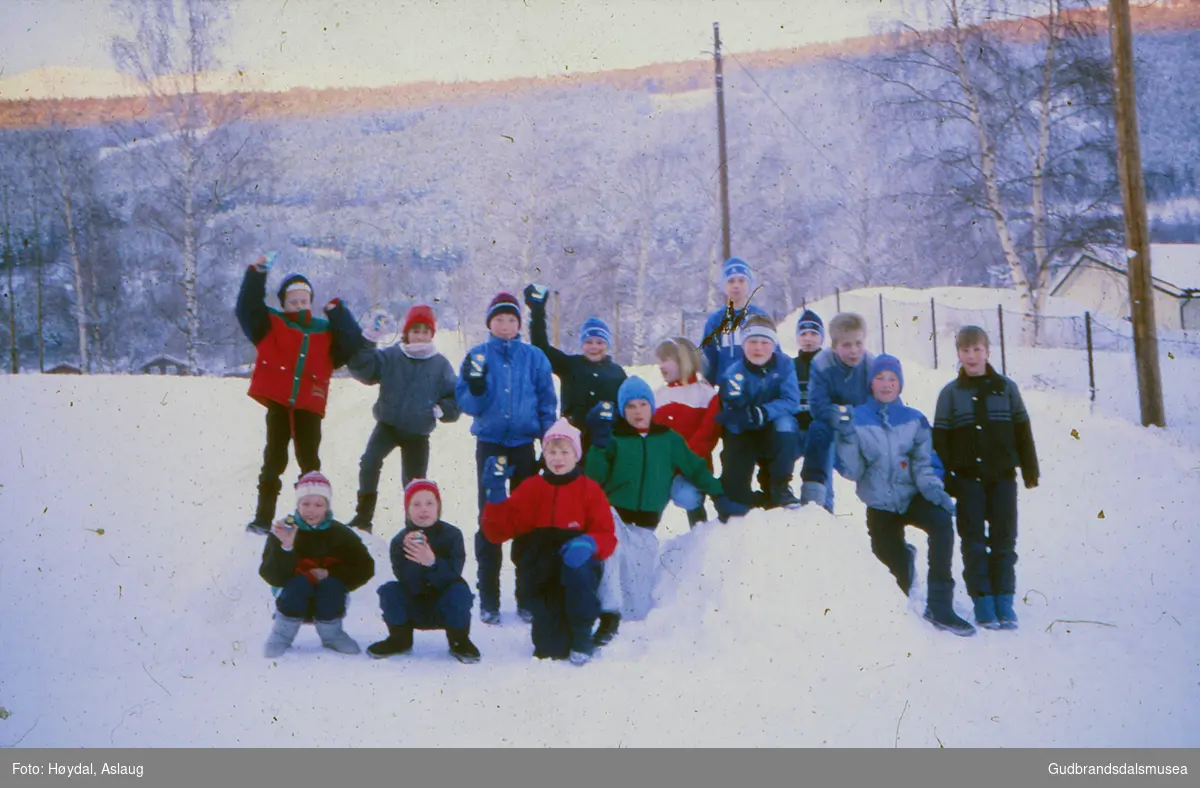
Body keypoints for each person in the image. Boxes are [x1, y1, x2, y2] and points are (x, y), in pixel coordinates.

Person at [585, 377, 748, 641]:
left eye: (642, 404)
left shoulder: (668, 438)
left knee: (637, 606)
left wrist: (719, 494)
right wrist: (598, 446)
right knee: (611, 559)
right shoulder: (615, 438)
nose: (638, 412)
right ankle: (607, 616)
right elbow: (593, 481)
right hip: (613, 518)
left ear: (652, 407)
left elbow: (694, 467)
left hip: (645, 527)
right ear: (621, 410)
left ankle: (619, 613)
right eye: (630, 407)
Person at [836, 355, 975, 637]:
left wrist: (935, 491)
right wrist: (847, 437)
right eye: (880, 378)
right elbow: (852, 471)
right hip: (880, 504)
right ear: (870, 383)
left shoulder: (915, 420)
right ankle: (903, 558)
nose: (886, 384)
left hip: (913, 496)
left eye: (892, 378)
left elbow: (924, 464)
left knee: (941, 525)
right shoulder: (857, 418)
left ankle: (939, 605)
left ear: (900, 384)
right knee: (895, 583)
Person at [236, 254, 365, 534]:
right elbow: (247, 308)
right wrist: (256, 275)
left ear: (311, 302)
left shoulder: (325, 332)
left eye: (303, 301)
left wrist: (338, 313)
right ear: (283, 304)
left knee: (310, 466)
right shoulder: (272, 326)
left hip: (309, 407)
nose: (298, 306)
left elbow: (353, 342)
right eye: (292, 302)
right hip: (279, 406)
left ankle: (314, 517)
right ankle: (262, 518)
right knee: (273, 462)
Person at [455, 292, 558, 625]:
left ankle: (527, 597)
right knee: (491, 517)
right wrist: (477, 385)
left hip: (524, 445)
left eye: (511, 320)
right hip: (490, 444)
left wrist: (549, 441)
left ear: (518, 324)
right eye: (499, 320)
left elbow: (546, 401)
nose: (505, 325)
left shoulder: (535, 358)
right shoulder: (477, 355)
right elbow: (468, 405)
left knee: (527, 519)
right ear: (489, 323)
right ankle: (489, 599)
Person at [481, 419, 616, 664]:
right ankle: (556, 626)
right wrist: (496, 497)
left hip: (577, 571)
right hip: (544, 576)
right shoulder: (532, 488)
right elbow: (497, 533)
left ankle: (583, 635)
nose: (558, 458)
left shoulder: (589, 490)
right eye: (551, 451)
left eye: (565, 451)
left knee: (579, 576)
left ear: (577, 455)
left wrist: (588, 543)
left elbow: (607, 535)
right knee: (550, 649)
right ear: (543, 454)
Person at [933, 326, 1040, 631]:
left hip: (1002, 478)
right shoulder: (950, 394)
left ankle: (1004, 600)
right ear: (958, 354)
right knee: (974, 541)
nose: (972, 356)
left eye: (977, 349)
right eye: (965, 350)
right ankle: (983, 601)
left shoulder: (1006, 389)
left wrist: (1029, 469)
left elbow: (1022, 431)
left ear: (988, 352)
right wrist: (948, 478)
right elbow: (939, 441)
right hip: (968, 481)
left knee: (1004, 538)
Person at [345, 305, 460, 533]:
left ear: (432, 335)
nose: (420, 335)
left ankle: (415, 526)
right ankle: (363, 517)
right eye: (415, 330)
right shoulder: (392, 356)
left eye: (425, 331)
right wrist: (369, 340)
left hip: (418, 433)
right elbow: (364, 370)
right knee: (369, 462)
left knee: (415, 483)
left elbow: (455, 399)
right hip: (387, 425)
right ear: (406, 332)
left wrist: (442, 409)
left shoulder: (440, 365)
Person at [260, 472, 377, 657]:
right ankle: (281, 635)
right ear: (297, 505)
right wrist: (286, 546)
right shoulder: (283, 531)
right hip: (292, 598)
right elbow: (271, 575)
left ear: (327, 507)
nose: (311, 510)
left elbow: (366, 567)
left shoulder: (341, 533)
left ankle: (332, 635)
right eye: (305, 503)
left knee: (332, 586)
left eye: (318, 505)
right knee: (298, 584)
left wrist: (331, 574)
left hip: (329, 600)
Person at [366, 479, 481, 662]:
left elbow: (453, 574)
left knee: (460, 590)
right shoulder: (399, 541)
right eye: (416, 504)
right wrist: (414, 559)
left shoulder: (452, 535)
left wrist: (432, 562)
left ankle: (459, 640)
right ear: (408, 510)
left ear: (438, 507)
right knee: (390, 590)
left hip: (444, 605)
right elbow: (407, 582)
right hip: (415, 604)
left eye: (429, 503)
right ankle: (399, 640)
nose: (423, 509)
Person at [524, 283, 626, 452]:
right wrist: (537, 311)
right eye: (589, 342)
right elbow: (541, 348)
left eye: (600, 342)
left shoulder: (617, 373)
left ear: (607, 345)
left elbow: (625, 409)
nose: (594, 347)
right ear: (582, 344)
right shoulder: (570, 365)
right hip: (571, 442)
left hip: (604, 444)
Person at [715, 315, 803, 510]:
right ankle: (747, 497)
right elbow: (731, 409)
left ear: (773, 345)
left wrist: (763, 411)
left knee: (786, 423)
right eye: (752, 341)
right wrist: (744, 415)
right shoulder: (733, 373)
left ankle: (779, 485)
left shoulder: (785, 365)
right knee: (735, 494)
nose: (758, 348)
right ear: (743, 344)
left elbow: (791, 401)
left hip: (773, 426)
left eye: (765, 342)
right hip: (744, 430)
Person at [797, 312, 877, 511]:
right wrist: (844, 414)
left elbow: (878, 403)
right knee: (819, 430)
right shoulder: (822, 364)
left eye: (858, 343)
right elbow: (818, 405)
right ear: (834, 346)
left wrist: (848, 414)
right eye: (847, 345)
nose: (854, 350)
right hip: (832, 425)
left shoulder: (870, 364)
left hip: (861, 428)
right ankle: (817, 501)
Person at [652, 337, 723, 526]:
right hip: (662, 467)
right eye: (659, 361)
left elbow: (707, 435)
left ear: (684, 361)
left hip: (692, 467)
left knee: (687, 495)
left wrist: (683, 461)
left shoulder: (705, 394)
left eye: (666, 360)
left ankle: (698, 533)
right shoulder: (659, 395)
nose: (661, 366)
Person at [699, 257, 768, 385]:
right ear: (724, 286)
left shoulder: (760, 317)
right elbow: (708, 358)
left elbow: (774, 354)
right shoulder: (716, 320)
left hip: (757, 389)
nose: (736, 285)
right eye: (731, 281)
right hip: (726, 390)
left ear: (749, 284)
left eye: (741, 281)